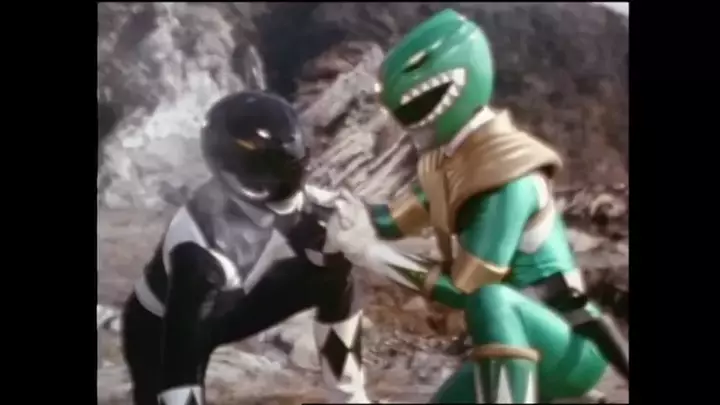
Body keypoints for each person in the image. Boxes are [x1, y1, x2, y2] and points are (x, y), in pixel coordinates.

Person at [323, 9, 628, 404]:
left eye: (418, 106)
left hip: (569, 348)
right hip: (516, 337)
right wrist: (334, 206)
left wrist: (372, 253)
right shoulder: (451, 163)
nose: (406, 122)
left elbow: (465, 290)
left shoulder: (507, 176)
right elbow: (392, 220)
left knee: (491, 298)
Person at [121, 91, 370, 405]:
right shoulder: (198, 245)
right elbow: (181, 358)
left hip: (230, 306)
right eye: (268, 166)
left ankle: (350, 398)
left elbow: (363, 231)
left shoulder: (300, 201)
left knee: (334, 268)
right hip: (161, 325)